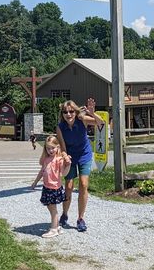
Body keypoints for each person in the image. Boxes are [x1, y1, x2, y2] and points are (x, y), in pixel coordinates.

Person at [56, 98, 104, 232]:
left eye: (71, 111)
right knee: (69, 186)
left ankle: (80, 218)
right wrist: (65, 156)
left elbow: (101, 123)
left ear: (75, 112)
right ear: (62, 114)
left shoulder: (82, 119)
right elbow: (63, 147)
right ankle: (64, 214)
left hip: (84, 154)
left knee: (83, 184)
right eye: (65, 112)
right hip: (70, 156)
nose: (68, 114)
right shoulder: (60, 127)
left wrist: (92, 113)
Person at [31, 134, 72, 238]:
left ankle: (53, 229)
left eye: (53, 148)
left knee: (52, 209)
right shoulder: (46, 159)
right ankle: (57, 227)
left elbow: (64, 173)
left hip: (54, 188)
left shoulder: (59, 160)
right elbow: (42, 171)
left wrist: (69, 164)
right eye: (48, 148)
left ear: (57, 147)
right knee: (51, 208)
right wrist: (35, 182)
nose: (50, 150)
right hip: (46, 187)